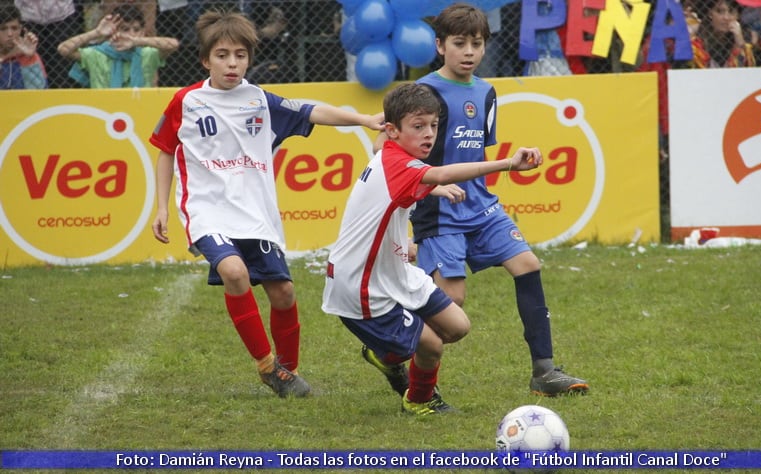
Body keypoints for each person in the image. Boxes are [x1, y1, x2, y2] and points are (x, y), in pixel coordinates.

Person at [148, 10, 384, 399]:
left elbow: (313, 111)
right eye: (222, 55)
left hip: (255, 214)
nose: (232, 63)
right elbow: (164, 151)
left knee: (284, 293)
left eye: (240, 55)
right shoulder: (185, 101)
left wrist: (363, 119)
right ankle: (266, 366)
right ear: (206, 60)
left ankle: (287, 372)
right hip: (207, 210)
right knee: (235, 273)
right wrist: (161, 208)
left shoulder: (260, 100)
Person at [366, 3, 589, 398]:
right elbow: (385, 145)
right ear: (439, 46)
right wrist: (428, 186)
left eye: (477, 43)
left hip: (482, 205)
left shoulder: (487, 92)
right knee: (452, 304)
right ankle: (388, 350)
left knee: (528, 265)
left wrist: (512, 164)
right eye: (459, 43)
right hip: (440, 210)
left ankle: (544, 371)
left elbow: (477, 157)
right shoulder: (425, 92)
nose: (469, 51)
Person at [323, 82, 543, 415]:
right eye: (418, 126)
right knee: (432, 344)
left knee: (458, 326)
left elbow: (409, 184)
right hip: (362, 285)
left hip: (393, 271)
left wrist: (433, 191)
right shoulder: (400, 163)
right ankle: (419, 399)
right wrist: (507, 164)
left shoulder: (393, 156)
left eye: (434, 125)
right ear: (393, 131)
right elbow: (438, 173)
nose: (429, 134)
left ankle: (386, 354)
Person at [57, 4, 178, 88]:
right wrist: (96, 33)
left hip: (141, 108)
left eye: (136, 30)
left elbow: (173, 44)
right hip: (104, 109)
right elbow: (63, 49)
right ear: (113, 31)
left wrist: (137, 42)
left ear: (142, 32)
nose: (131, 34)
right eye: (125, 29)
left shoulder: (147, 53)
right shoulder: (97, 54)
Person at [14, 0, 82, 88]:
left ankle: (62, 96)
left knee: (62, 68)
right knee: (33, 65)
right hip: (27, 15)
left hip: (62, 14)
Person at [689, 0, 756, 68]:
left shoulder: (745, 37)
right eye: (720, 11)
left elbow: (748, 71)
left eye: (731, 12)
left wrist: (739, 43)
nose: (726, 17)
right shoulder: (697, 42)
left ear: (738, 16)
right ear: (710, 13)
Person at [0, 3, 47, 89]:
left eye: (14, 28)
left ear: (20, 29)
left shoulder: (29, 55)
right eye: (3, 29)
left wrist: (29, 58)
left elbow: (39, 91)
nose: (10, 34)